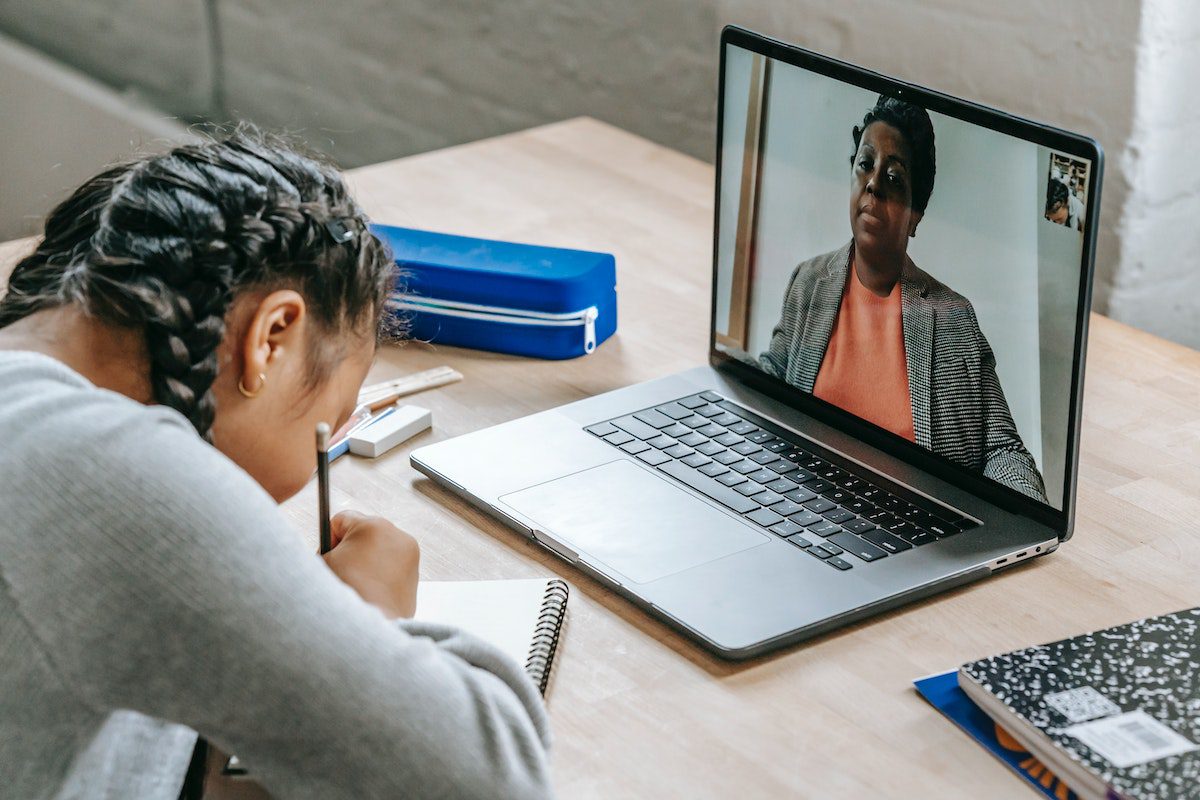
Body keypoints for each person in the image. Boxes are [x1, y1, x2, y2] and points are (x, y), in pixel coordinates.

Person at [0, 130, 553, 798]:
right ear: (271, 337)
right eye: (332, 424)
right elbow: (489, 783)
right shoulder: (108, 475)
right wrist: (373, 614)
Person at [758, 95, 1047, 502]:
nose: (874, 183)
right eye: (865, 165)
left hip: (910, 530)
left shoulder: (952, 318)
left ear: (915, 215)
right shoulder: (808, 282)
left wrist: (1025, 520)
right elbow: (772, 379)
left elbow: (1002, 451)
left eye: (894, 178)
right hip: (802, 507)